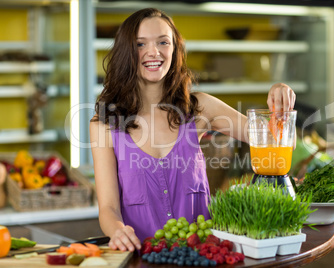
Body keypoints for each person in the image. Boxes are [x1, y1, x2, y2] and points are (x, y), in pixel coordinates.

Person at [89, 8, 296, 253]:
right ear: (126, 52)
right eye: (140, 44)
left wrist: (280, 101)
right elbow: (108, 208)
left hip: (203, 257)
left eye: (163, 42)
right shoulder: (104, 124)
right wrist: (117, 231)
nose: (153, 52)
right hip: (141, 258)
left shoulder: (199, 108)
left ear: (175, 49)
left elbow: (278, 144)